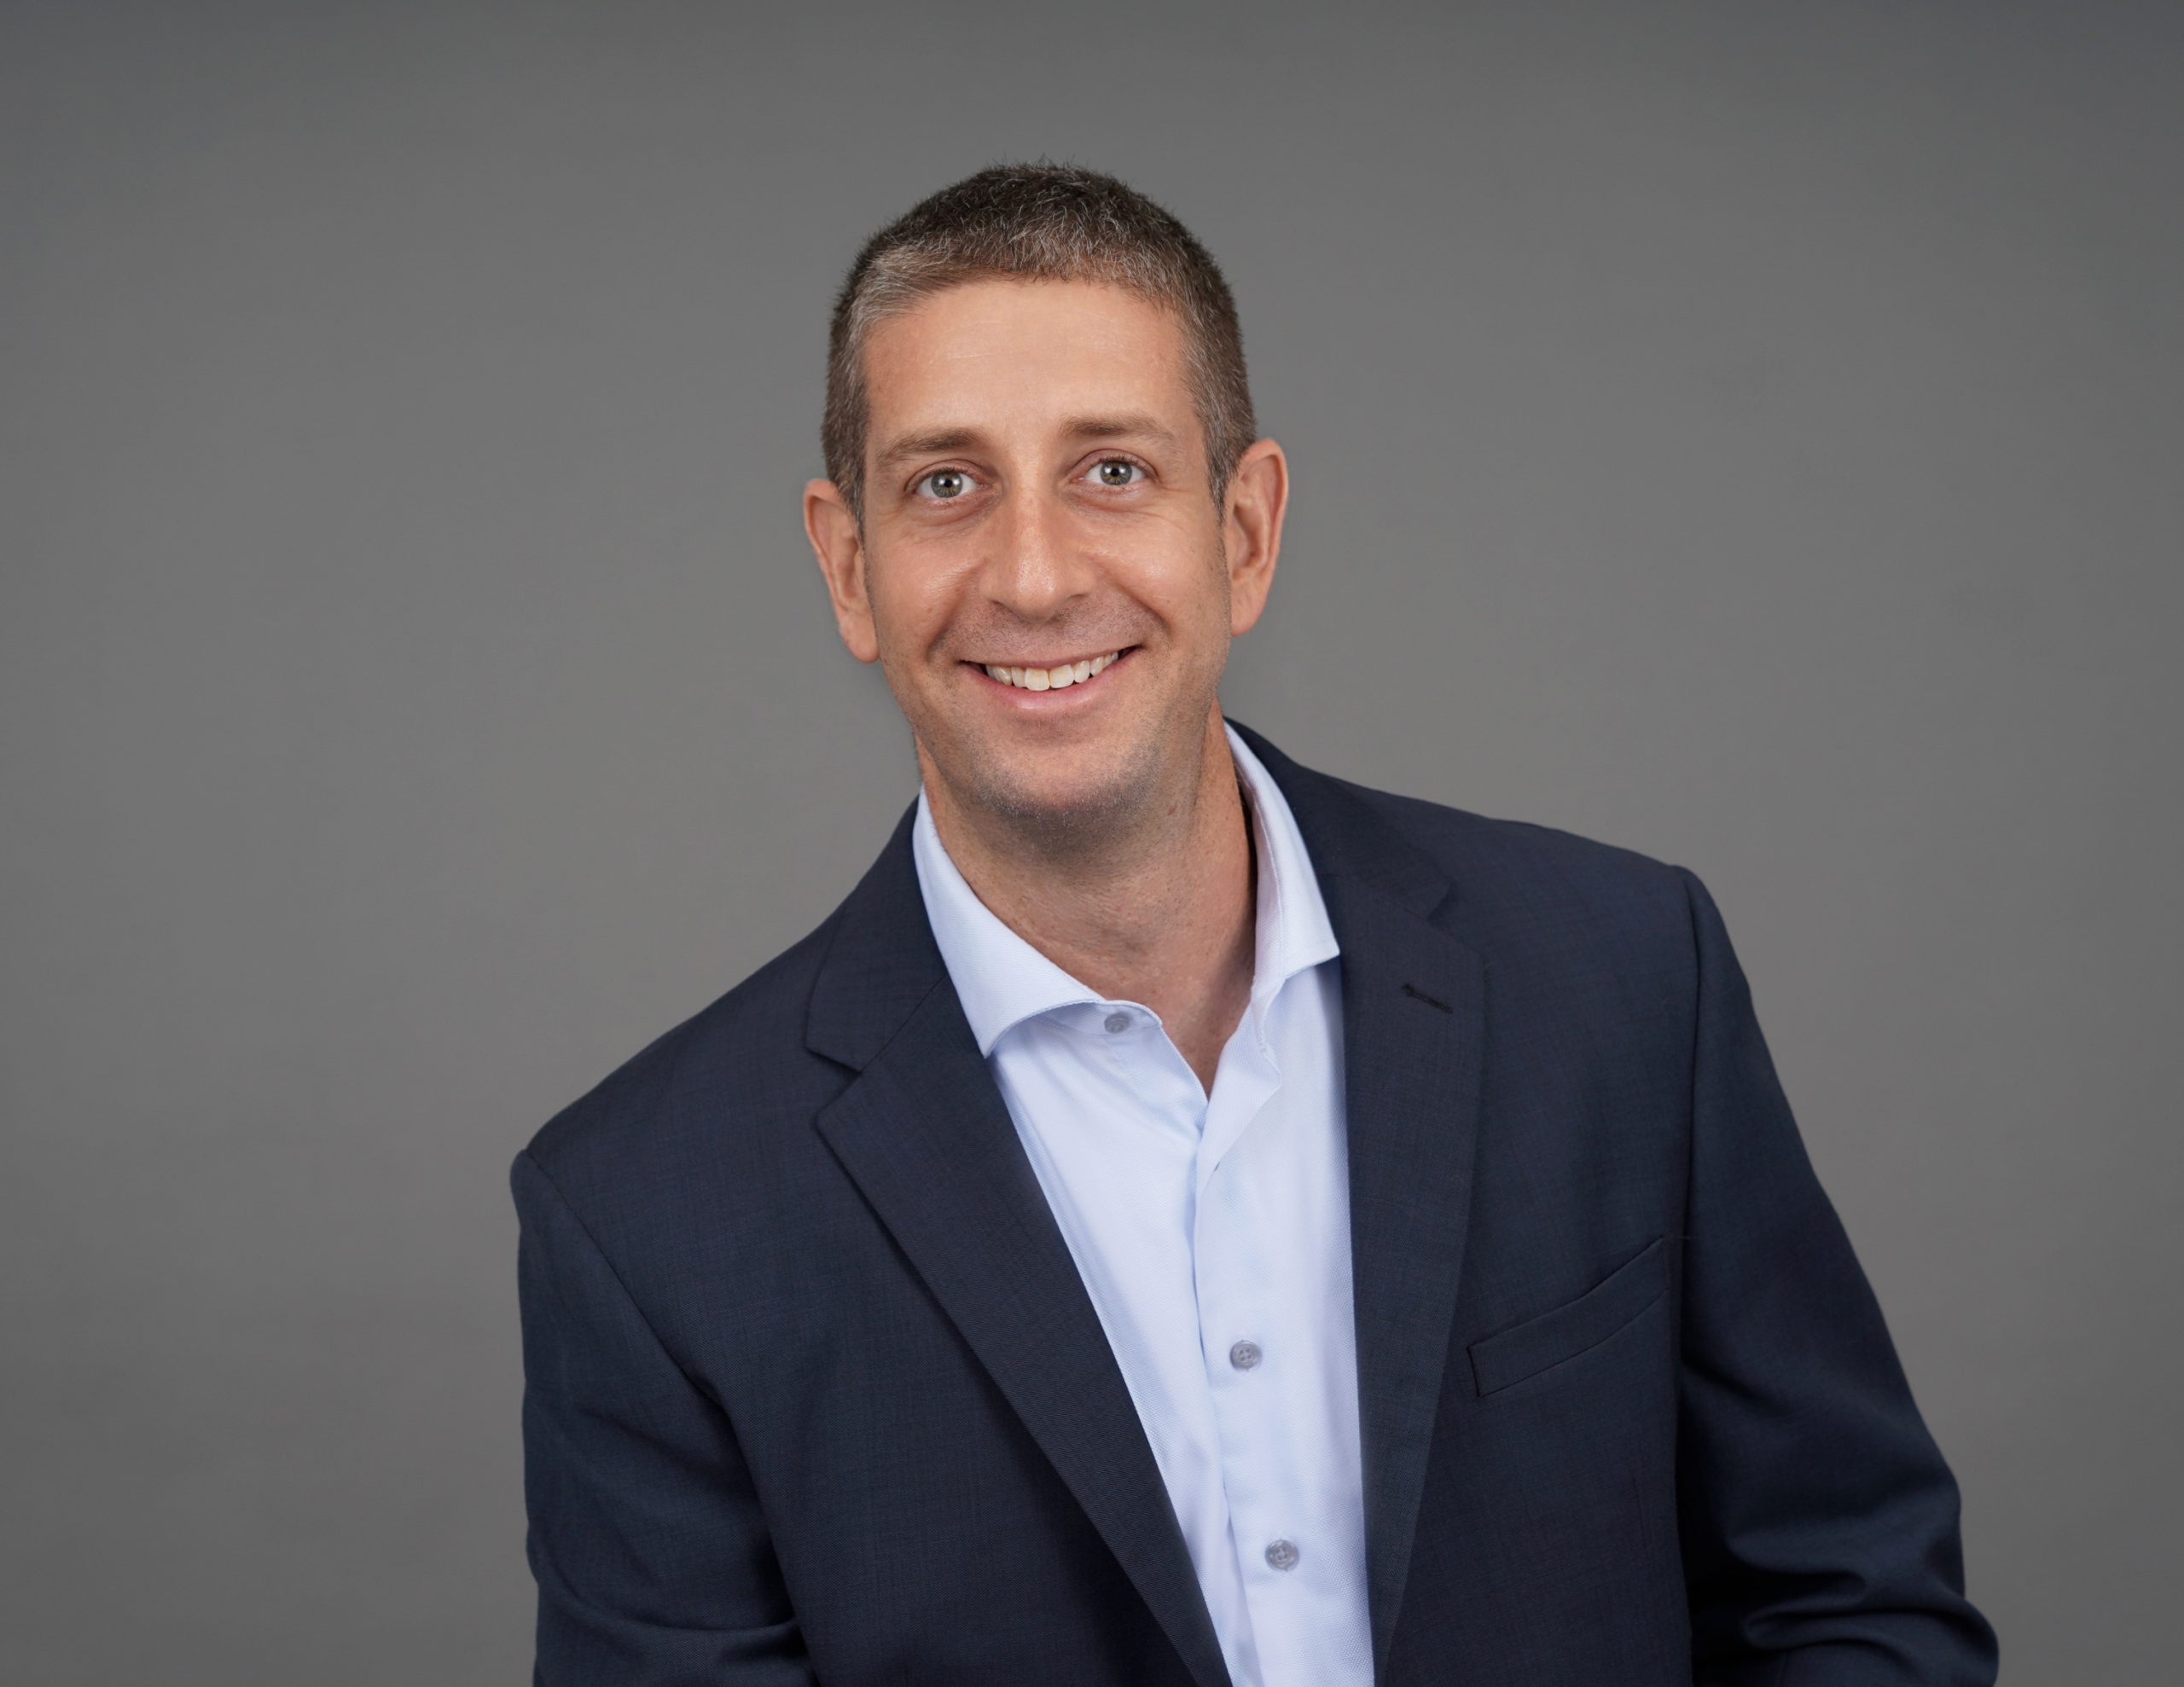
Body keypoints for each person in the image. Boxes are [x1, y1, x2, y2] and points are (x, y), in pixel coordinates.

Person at [511, 163, 1998, 1686]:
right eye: (946, 484)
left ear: (1244, 532)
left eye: (1111, 472)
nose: (1032, 576)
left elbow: (1854, 1599)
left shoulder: (1624, 981)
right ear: (849, 567)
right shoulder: (647, 1219)